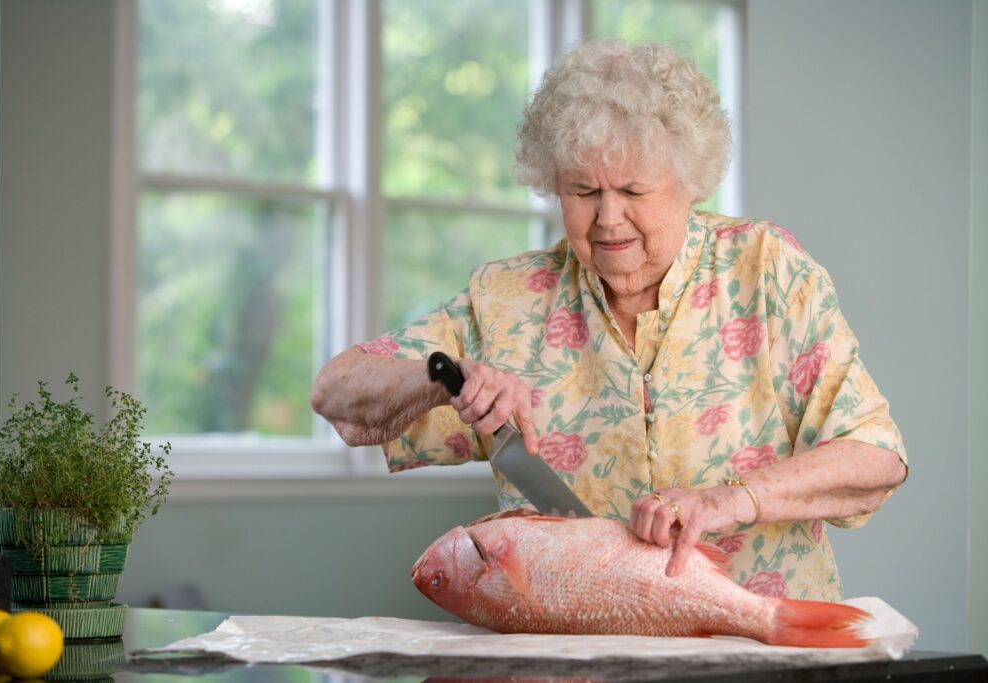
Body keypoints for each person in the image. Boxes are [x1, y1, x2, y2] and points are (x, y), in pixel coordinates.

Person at [310, 40, 907, 602]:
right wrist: (442, 379)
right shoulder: (508, 299)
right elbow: (335, 390)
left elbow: (875, 457)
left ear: (687, 185)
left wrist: (732, 500)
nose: (608, 218)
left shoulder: (766, 270)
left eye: (632, 190)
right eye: (582, 190)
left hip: (766, 642)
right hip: (577, 659)